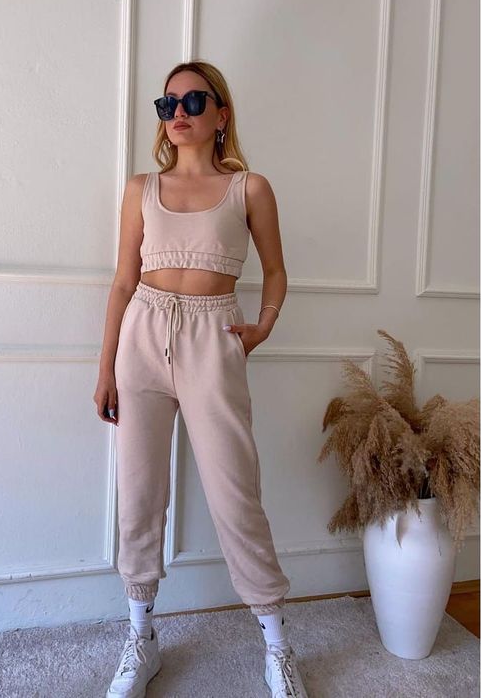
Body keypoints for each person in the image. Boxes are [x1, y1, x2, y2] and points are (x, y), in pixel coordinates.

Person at [94, 60, 308, 698]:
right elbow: (123, 281)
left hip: (214, 337)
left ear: (221, 113)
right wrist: (105, 367)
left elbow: (275, 270)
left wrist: (264, 324)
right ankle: (142, 636)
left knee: (235, 492)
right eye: (168, 104)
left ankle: (277, 645)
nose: (178, 114)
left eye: (193, 101)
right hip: (142, 335)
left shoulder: (250, 189)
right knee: (139, 491)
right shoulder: (141, 188)